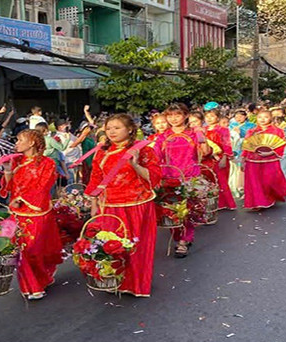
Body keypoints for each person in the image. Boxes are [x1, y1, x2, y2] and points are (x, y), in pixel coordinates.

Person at [85, 114, 161, 297]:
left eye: (117, 128)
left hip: (137, 204)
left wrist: (134, 164)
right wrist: (93, 204)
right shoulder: (102, 152)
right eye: (109, 128)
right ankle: (115, 279)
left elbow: (154, 177)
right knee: (112, 244)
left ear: (129, 130)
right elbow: (95, 178)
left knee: (136, 246)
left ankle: (137, 284)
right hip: (109, 205)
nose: (112, 131)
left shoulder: (143, 150)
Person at [0, 129, 63, 300]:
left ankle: (42, 277)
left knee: (36, 250)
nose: (17, 143)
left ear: (32, 142)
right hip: (18, 213)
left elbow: (43, 186)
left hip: (37, 212)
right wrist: (7, 171)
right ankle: (31, 286)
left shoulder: (47, 163)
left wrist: (22, 199)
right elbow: (11, 187)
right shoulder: (16, 162)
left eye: (20, 140)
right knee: (21, 251)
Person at [154, 103, 209, 258]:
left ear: (185, 116)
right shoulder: (162, 136)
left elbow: (205, 153)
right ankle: (180, 237)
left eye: (177, 115)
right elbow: (156, 156)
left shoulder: (193, 133)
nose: (173, 118)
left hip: (190, 175)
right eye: (170, 115)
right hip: (169, 176)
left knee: (188, 210)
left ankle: (184, 240)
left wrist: (202, 138)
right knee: (173, 211)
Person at [242, 111, 286, 209]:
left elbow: (281, 144)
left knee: (269, 181)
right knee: (254, 182)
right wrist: (243, 159)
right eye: (260, 117)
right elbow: (247, 146)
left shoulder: (277, 131)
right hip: (252, 160)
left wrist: (271, 152)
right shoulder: (251, 131)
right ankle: (258, 202)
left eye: (266, 117)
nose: (262, 119)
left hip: (270, 160)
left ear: (271, 118)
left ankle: (270, 197)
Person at [205, 109, 236, 210]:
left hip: (220, 157)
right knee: (210, 181)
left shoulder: (223, 130)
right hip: (207, 159)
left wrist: (224, 157)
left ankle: (227, 203)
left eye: (212, 116)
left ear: (217, 118)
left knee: (221, 180)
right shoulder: (203, 130)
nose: (209, 119)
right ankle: (212, 203)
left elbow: (227, 145)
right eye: (207, 116)